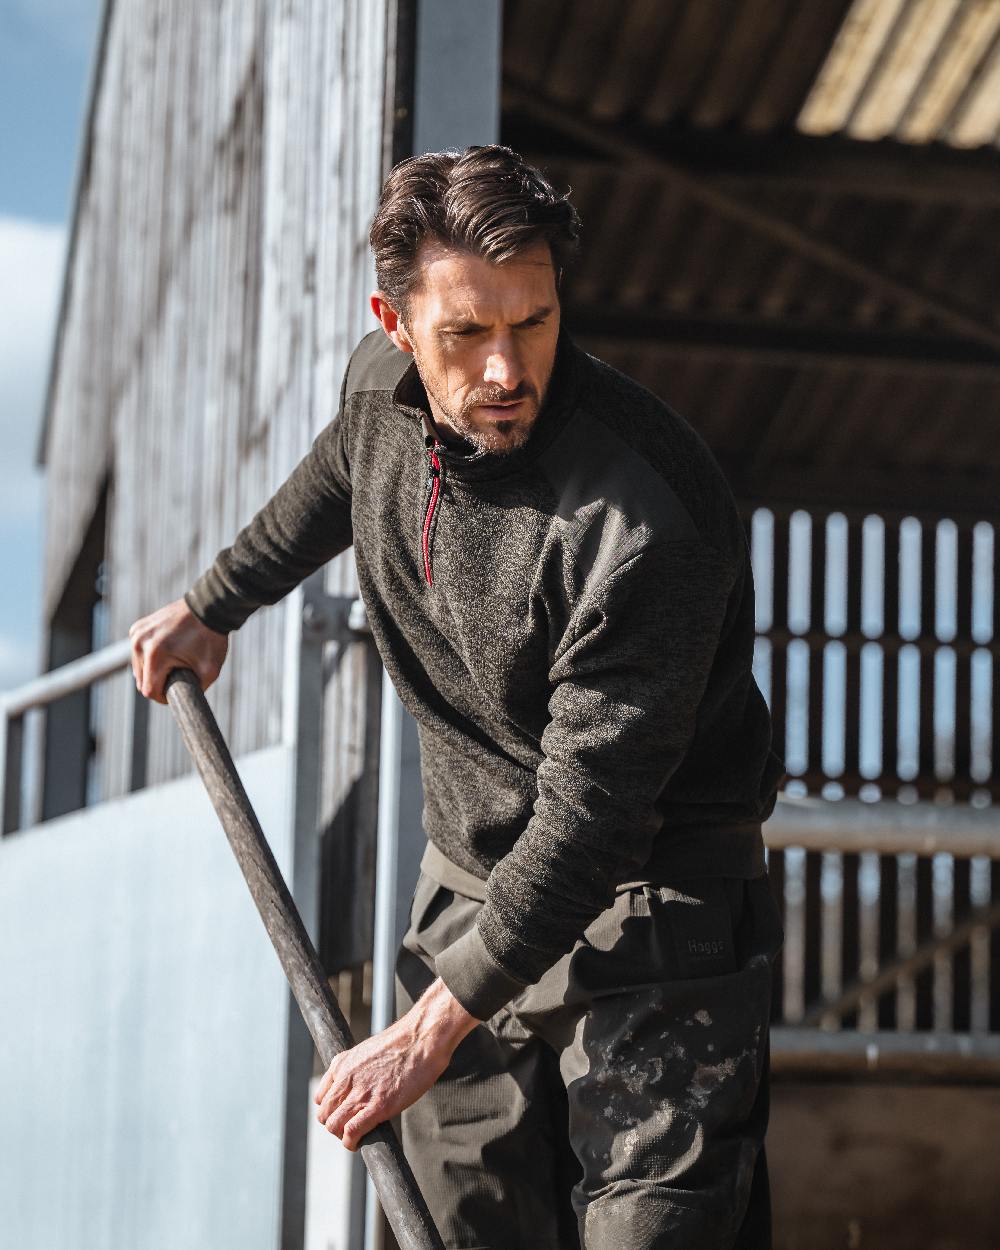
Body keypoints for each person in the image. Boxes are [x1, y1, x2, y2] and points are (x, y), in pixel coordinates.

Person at [129, 144, 785, 1250]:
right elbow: (340, 471)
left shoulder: (645, 521)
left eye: (533, 321)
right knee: (457, 1222)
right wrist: (217, 602)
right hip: (470, 881)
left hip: (650, 900)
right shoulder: (381, 397)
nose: (505, 368)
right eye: (466, 332)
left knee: (654, 1231)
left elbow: (590, 819)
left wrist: (422, 1031)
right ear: (393, 323)